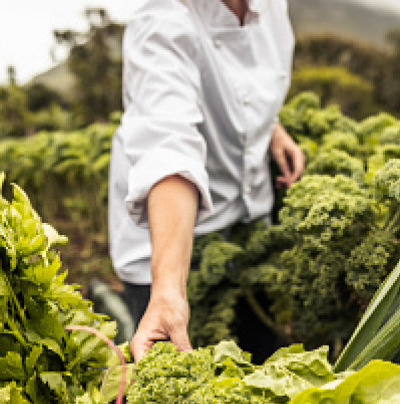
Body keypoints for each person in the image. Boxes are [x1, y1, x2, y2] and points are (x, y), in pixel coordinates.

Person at [108, 0, 305, 361]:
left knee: (260, 356)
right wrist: (168, 291)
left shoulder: (273, 6)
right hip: (170, 239)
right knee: (184, 388)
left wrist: (270, 128)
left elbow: (242, 82)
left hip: (246, 225)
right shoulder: (161, 19)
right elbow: (169, 149)